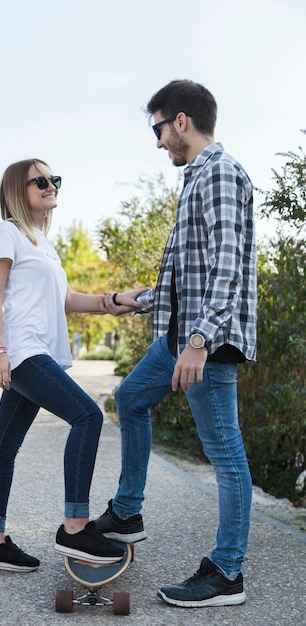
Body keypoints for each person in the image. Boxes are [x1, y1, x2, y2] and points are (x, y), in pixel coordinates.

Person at [95, 80, 257, 607]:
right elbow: (191, 268)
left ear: (181, 121)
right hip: (181, 334)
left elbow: (227, 268)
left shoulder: (222, 173)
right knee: (130, 398)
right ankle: (128, 512)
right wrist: (138, 299)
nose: (158, 140)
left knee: (225, 454)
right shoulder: (195, 179)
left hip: (203, 342)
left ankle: (227, 573)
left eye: (159, 128)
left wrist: (199, 341)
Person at [0, 158, 143, 573]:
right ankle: (75, 526)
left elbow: (68, 300)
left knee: (3, 447)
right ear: (18, 188)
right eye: (41, 181)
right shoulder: (6, 232)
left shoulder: (43, 244)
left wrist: (113, 302)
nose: (51, 186)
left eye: (55, 180)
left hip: (36, 352)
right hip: (23, 352)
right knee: (88, 416)